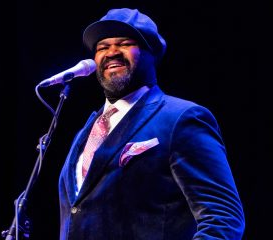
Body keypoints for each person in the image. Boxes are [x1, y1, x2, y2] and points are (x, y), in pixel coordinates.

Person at [57, 8, 245, 240]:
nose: (112, 52)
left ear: (151, 53)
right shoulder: (86, 133)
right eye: (102, 47)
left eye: (125, 43)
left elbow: (223, 217)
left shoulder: (180, 118)